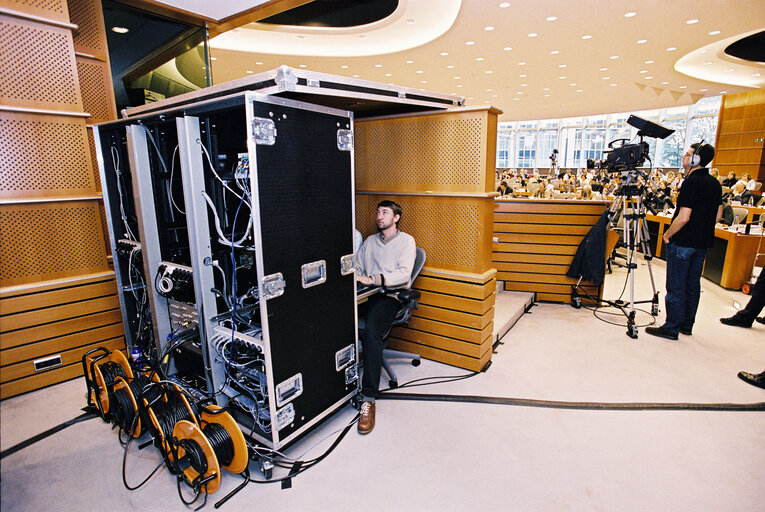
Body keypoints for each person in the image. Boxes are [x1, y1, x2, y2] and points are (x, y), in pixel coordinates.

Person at [646, 143, 722, 340]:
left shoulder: (691, 182)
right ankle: (687, 325)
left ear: (696, 159)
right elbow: (718, 215)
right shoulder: (715, 183)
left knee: (676, 285)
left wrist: (667, 234)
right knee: (692, 285)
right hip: (702, 242)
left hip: (684, 241)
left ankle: (671, 327)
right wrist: (702, 225)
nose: (683, 157)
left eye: (687, 154)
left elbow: (683, 217)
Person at [355, 200, 416, 434]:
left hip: (389, 297)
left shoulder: (406, 241)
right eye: (378, 212)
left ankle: (368, 398)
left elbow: (403, 275)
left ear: (396, 217)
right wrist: (357, 278)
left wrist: (374, 280)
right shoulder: (370, 242)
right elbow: (358, 268)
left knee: (371, 331)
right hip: (365, 295)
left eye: (385, 213)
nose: (380, 217)